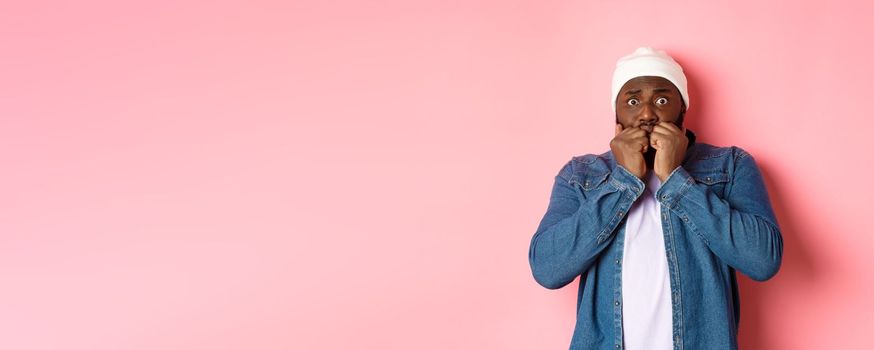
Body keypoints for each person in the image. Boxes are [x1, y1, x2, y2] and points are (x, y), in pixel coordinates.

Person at [527, 47, 783, 350]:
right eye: (633, 101)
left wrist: (676, 179)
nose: (647, 113)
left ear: (682, 111)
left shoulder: (730, 166)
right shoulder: (581, 175)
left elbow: (762, 260)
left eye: (662, 100)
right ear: (617, 114)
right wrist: (624, 181)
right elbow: (548, 269)